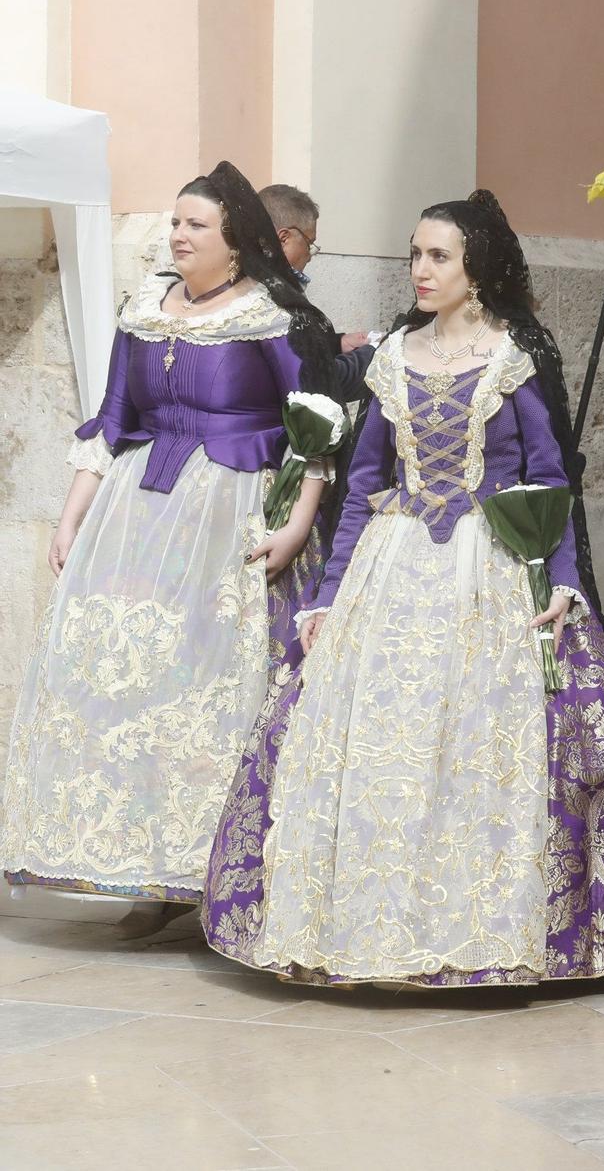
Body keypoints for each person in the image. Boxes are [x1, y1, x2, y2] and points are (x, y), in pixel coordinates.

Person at [202, 190, 604, 986]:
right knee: (375, 751)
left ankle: (477, 932)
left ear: (475, 266)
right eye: (414, 255)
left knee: (481, 752)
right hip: (391, 575)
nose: (421, 271)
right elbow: (361, 489)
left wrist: (560, 580)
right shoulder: (393, 357)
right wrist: (324, 594)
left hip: (488, 572)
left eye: (438, 256)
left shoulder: (511, 358)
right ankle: (362, 926)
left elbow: (549, 482)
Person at [1, 162, 338, 938]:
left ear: (237, 241)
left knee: (215, 686)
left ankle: (222, 868)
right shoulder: (145, 307)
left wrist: (294, 526)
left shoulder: (270, 315)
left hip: (234, 513)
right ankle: (148, 865)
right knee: (132, 687)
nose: (176, 235)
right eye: (174, 223)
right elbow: (113, 416)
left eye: (194, 225)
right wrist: (71, 515)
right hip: (140, 513)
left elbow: (314, 427)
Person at [259, 183, 375, 401]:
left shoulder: (261, 283)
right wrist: (376, 356)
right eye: (309, 243)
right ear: (284, 238)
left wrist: (336, 344)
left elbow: (296, 349)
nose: (311, 254)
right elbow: (315, 382)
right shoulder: (268, 298)